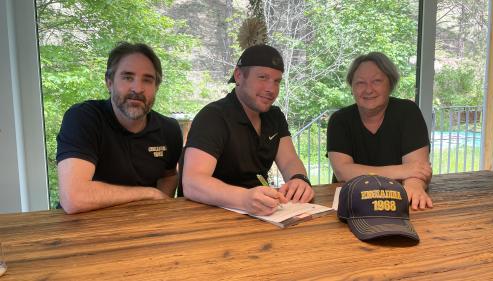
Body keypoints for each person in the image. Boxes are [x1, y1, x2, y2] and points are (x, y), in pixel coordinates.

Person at [180, 44, 314, 216]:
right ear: (239, 75)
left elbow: (289, 161)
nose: (271, 89)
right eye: (263, 77)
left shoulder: (274, 116)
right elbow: (192, 183)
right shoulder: (213, 117)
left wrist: (299, 180)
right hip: (208, 217)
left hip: (262, 214)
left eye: (277, 81)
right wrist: (244, 199)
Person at [56, 42, 183, 214]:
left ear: (156, 87)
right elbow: (73, 198)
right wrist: (150, 194)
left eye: (147, 80)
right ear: (109, 82)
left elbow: (168, 176)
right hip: (82, 228)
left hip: (143, 225)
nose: (137, 88)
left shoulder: (169, 129)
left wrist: (159, 210)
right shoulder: (83, 118)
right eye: (127, 77)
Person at [327, 52, 433, 211]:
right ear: (352, 88)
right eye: (360, 83)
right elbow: (343, 172)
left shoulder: (408, 112)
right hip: (353, 204)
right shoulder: (339, 120)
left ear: (390, 84)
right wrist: (402, 170)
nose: (368, 89)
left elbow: (418, 169)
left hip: (397, 202)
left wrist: (414, 185)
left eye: (377, 81)